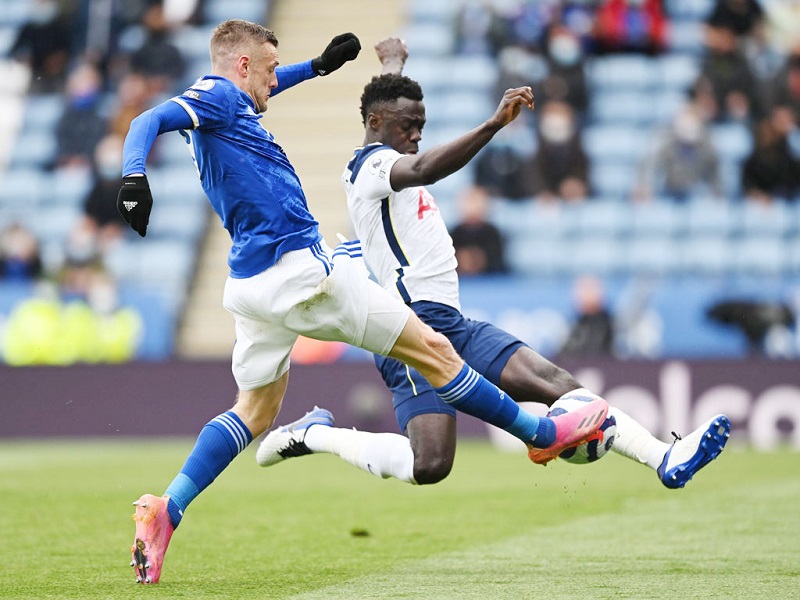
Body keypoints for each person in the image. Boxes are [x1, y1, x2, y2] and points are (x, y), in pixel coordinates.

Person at [117, 20, 609, 584]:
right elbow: (147, 119)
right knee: (434, 350)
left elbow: (261, 90)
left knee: (254, 411)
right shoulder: (220, 95)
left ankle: (168, 508)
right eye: (272, 69)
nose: (277, 81)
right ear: (243, 67)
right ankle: (542, 434)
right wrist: (134, 176)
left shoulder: (232, 110)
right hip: (303, 273)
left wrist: (318, 69)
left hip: (251, 287)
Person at [256, 37, 730, 501]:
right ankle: (316, 434)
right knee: (431, 465)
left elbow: (390, 110)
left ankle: (664, 457)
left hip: (451, 322)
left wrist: (396, 61)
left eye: (422, 124)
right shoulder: (369, 167)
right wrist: (494, 124)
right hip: (409, 331)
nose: (417, 135)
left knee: (559, 385)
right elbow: (421, 170)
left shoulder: (389, 141)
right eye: (410, 126)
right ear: (376, 123)